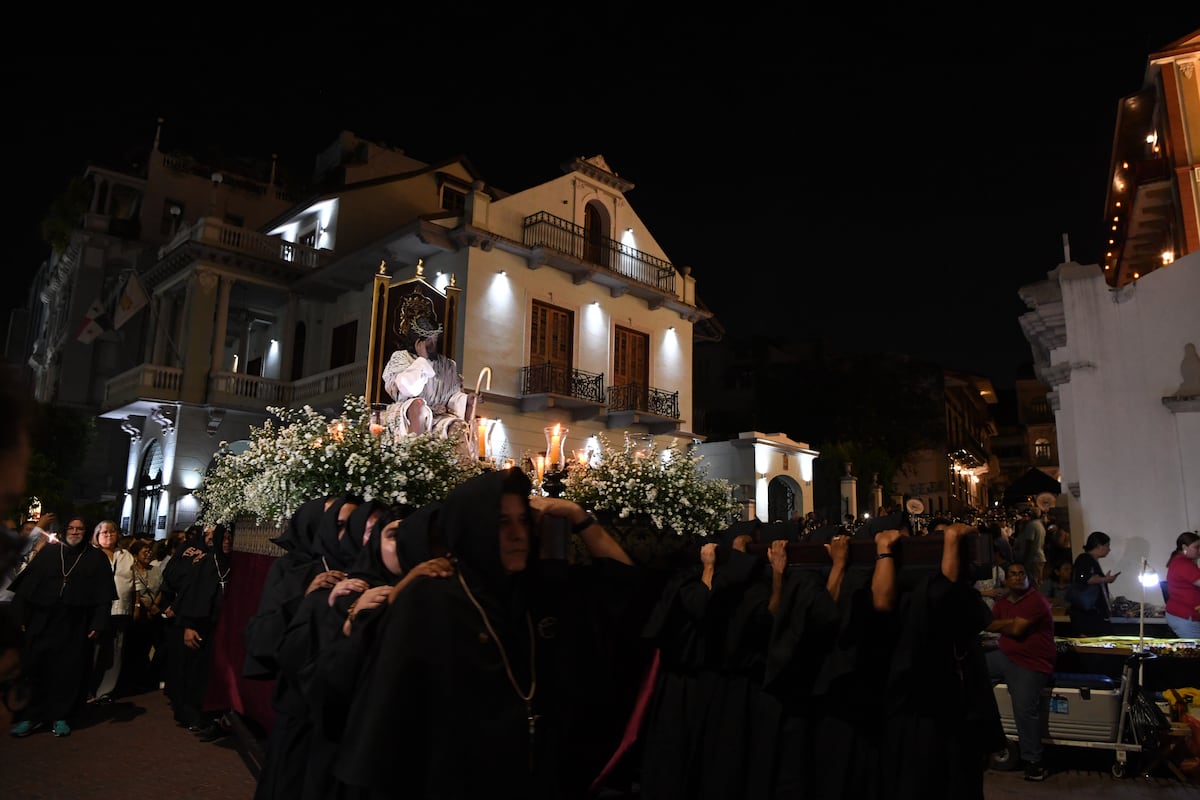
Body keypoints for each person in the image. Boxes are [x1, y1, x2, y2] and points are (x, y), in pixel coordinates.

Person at [334, 467, 638, 799]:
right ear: (473, 528)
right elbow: (385, 727)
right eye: (502, 523)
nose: (518, 534)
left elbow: (626, 590)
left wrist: (580, 518)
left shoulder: (538, 592)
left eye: (524, 520)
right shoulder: (431, 599)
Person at [7, 517, 116, 738]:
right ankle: (31, 716)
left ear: (86, 532)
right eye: (71, 528)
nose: (75, 532)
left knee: (67, 671)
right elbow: (27, 588)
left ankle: (61, 715)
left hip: (74, 623)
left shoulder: (96, 559)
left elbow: (104, 596)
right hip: (42, 621)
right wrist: (20, 616)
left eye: (80, 529)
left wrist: (98, 622)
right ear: (65, 530)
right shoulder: (48, 553)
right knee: (35, 668)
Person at [986, 562, 1056, 782]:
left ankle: (1033, 762)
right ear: (1006, 579)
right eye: (1012, 575)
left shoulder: (1036, 601)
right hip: (1005, 655)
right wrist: (1007, 623)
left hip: (1031, 662)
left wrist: (1004, 624)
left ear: (1028, 577)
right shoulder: (1004, 602)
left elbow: (1016, 630)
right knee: (971, 673)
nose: (1017, 578)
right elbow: (989, 624)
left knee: (1025, 709)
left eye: (1021, 574)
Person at [381, 313, 474, 439]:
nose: (433, 344)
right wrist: (422, 360)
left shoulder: (446, 365)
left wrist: (466, 400)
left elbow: (452, 396)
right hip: (409, 413)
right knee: (418, 406)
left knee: (457, 426)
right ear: (418, 341)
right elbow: (407, 389)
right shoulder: (402, 358)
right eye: (428, 340)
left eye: (435, 339)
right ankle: (417, 452)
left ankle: (464, 459)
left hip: (438, 417)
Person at [88, 519, 134, 703]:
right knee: (94, 650)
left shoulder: (126, 555)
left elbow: (133, 583)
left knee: (115, 651)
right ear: (96, 535)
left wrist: (135, 606)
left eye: (112, 532)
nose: (108, 535)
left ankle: (106, 690)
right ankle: (88, 688)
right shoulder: (91, 554)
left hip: (121, 610)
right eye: (104, 532)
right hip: (97, 611)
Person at [1067, 530, 1118, 637]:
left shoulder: (1090, 560)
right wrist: (1105, 579)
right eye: (1107, 545)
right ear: (1099, 546)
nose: (1109, 549)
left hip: (1091, 613)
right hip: (1087, 615)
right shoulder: (1084, 558)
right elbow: (1084, 578)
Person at [1163, 531, 1200, 639]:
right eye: (1196, 547)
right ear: (1184, 547)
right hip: (1185, 616)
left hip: (1184, 614)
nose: (1199, 551)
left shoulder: (1182, 561)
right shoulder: (1183, 563)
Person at [1013, 507, 1047, 585]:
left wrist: (1026, 558)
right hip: (1040, 557)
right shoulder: (1040, 525)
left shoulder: (1031, 526)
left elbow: (1029, 543)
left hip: (1033, 558)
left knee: (1034, 582)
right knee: (1038, 580)